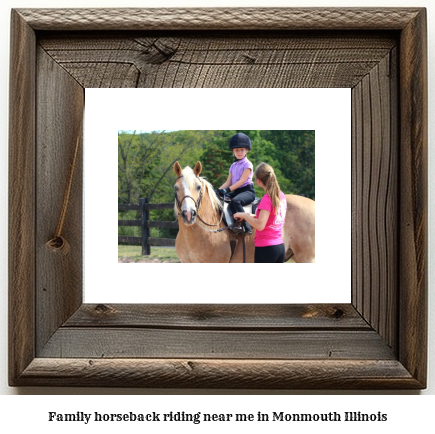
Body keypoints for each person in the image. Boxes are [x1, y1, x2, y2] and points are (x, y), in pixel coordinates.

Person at [234, 162, 287, 263]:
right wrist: (253, 216)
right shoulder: (281, 195)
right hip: (279, 247)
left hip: (266, 248)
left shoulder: (267, 199)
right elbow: (272, 217)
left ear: (258, 181)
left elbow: (260, 225)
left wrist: (244, 215)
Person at [217, 133, 255, 234]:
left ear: (247, 150)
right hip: (237, 191)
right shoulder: (233, 166)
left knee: (235, 201)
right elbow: (228, 182)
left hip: (247, 191)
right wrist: (217, 191)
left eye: (242, 150)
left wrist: (228, 190)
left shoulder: (248, 164)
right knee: (221, 199)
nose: (239, 152)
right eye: (236, 150)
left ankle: (246, 226)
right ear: (233, 151)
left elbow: (242, 181)